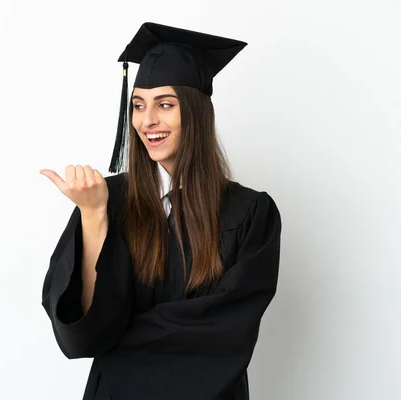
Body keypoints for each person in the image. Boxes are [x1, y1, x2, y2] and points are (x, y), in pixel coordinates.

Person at [39, 22, 282, 400]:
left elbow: (224, 334)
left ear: (197, 112)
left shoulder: (249, 214)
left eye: (165, 104)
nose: (147, 120)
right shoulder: (104, 199)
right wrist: (93, 217)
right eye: (138, 105)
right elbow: (81, 334)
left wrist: (119, 337)